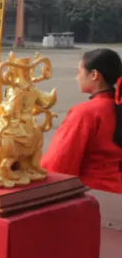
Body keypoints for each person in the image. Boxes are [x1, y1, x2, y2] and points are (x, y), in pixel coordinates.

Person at [41, 48, 122, 193]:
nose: (77, 78)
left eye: (79, 72)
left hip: (99, 193)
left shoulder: (86, 113)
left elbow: (58, 165)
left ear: (94, 75)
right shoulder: (114, 106)